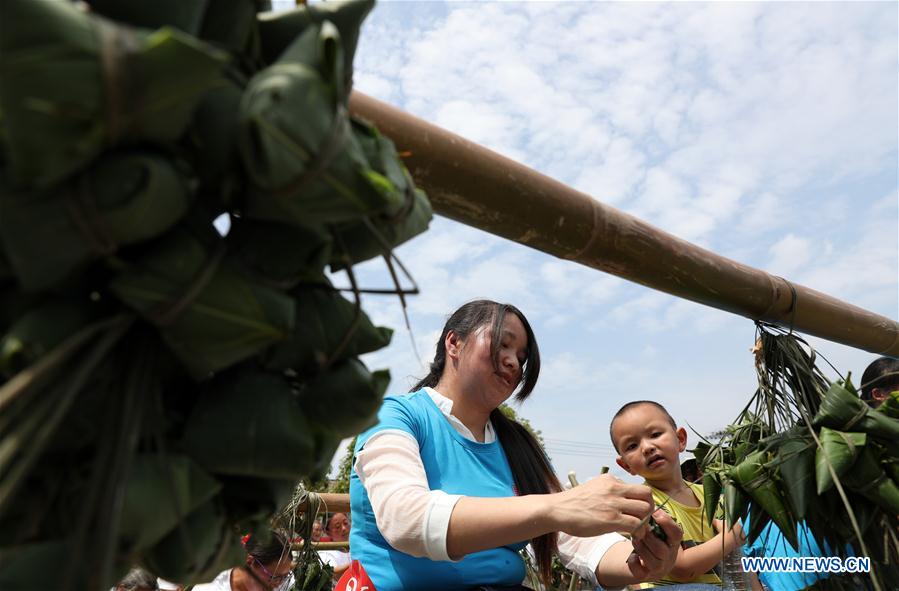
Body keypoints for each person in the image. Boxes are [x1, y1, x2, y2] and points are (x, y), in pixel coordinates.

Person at [349, 300, 682, 591]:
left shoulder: (517, 444)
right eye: (502, 345)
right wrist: (556, 507)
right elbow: (405, 519)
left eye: (521, 357)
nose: (513, 362)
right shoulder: (394, 415)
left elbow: (579, 540)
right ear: (454, 343)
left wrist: (640, 559)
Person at [610, 400, 744, 589]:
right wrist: (731, 537)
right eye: (632, 446)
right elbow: (682, 570)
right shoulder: (644, 504)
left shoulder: (711, 496)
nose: (647, 447)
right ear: (626, 465)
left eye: (655, 434)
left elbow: (738, 561)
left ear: (680, 439)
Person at [189, 531, 294, 591]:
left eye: (285, 577)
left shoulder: (284, 584)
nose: (278, 584)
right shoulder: (209, 589)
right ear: (249, 562)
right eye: (274, 577)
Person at [318, 512, 352, 578]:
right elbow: (334, 573)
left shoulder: (359, 547)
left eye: (345, 523)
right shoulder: (325, 554)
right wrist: (360, 562)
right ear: (327, 532)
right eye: (337, 527)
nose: (344, 528)